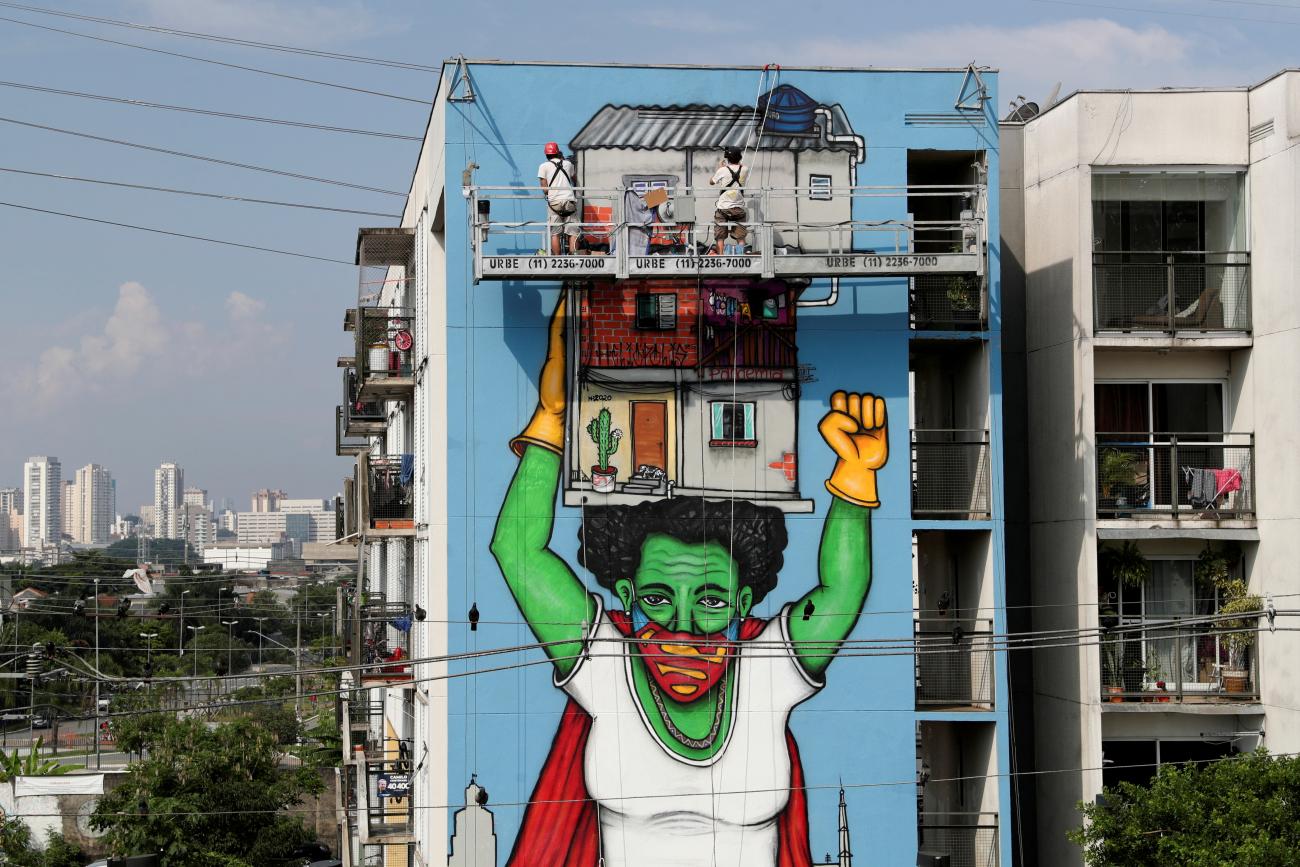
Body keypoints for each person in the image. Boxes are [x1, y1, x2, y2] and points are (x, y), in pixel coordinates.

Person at [491, 296, 888, 866]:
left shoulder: (767, 675)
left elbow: (841, 593)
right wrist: (553, 416)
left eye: (710, 600)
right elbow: (518, 552)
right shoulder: (606, 669)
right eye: (657, 597)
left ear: (745, 601)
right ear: (624, 595)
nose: (682, 622)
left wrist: (854, 478)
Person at [537, 141, 579, 255]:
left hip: (554, 203)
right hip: (569, 201)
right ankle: (574, 258)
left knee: (555, 233)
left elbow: (545, 189)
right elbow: (575, 180)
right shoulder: (568, 164)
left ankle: (557, 258)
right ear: (558, 152)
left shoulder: (543, 166)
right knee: (573, 232)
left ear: (546, 155)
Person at [708, 146, 750, 255]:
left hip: (723, 208)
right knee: (740, 236)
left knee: (720, 236)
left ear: (727, 158)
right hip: (738, 208)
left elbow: (711, 182)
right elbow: (740, 166)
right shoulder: (745, 169)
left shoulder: (722, 170)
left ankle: (721, 257)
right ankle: (740, 257)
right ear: (739, 157)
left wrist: (721, 168)